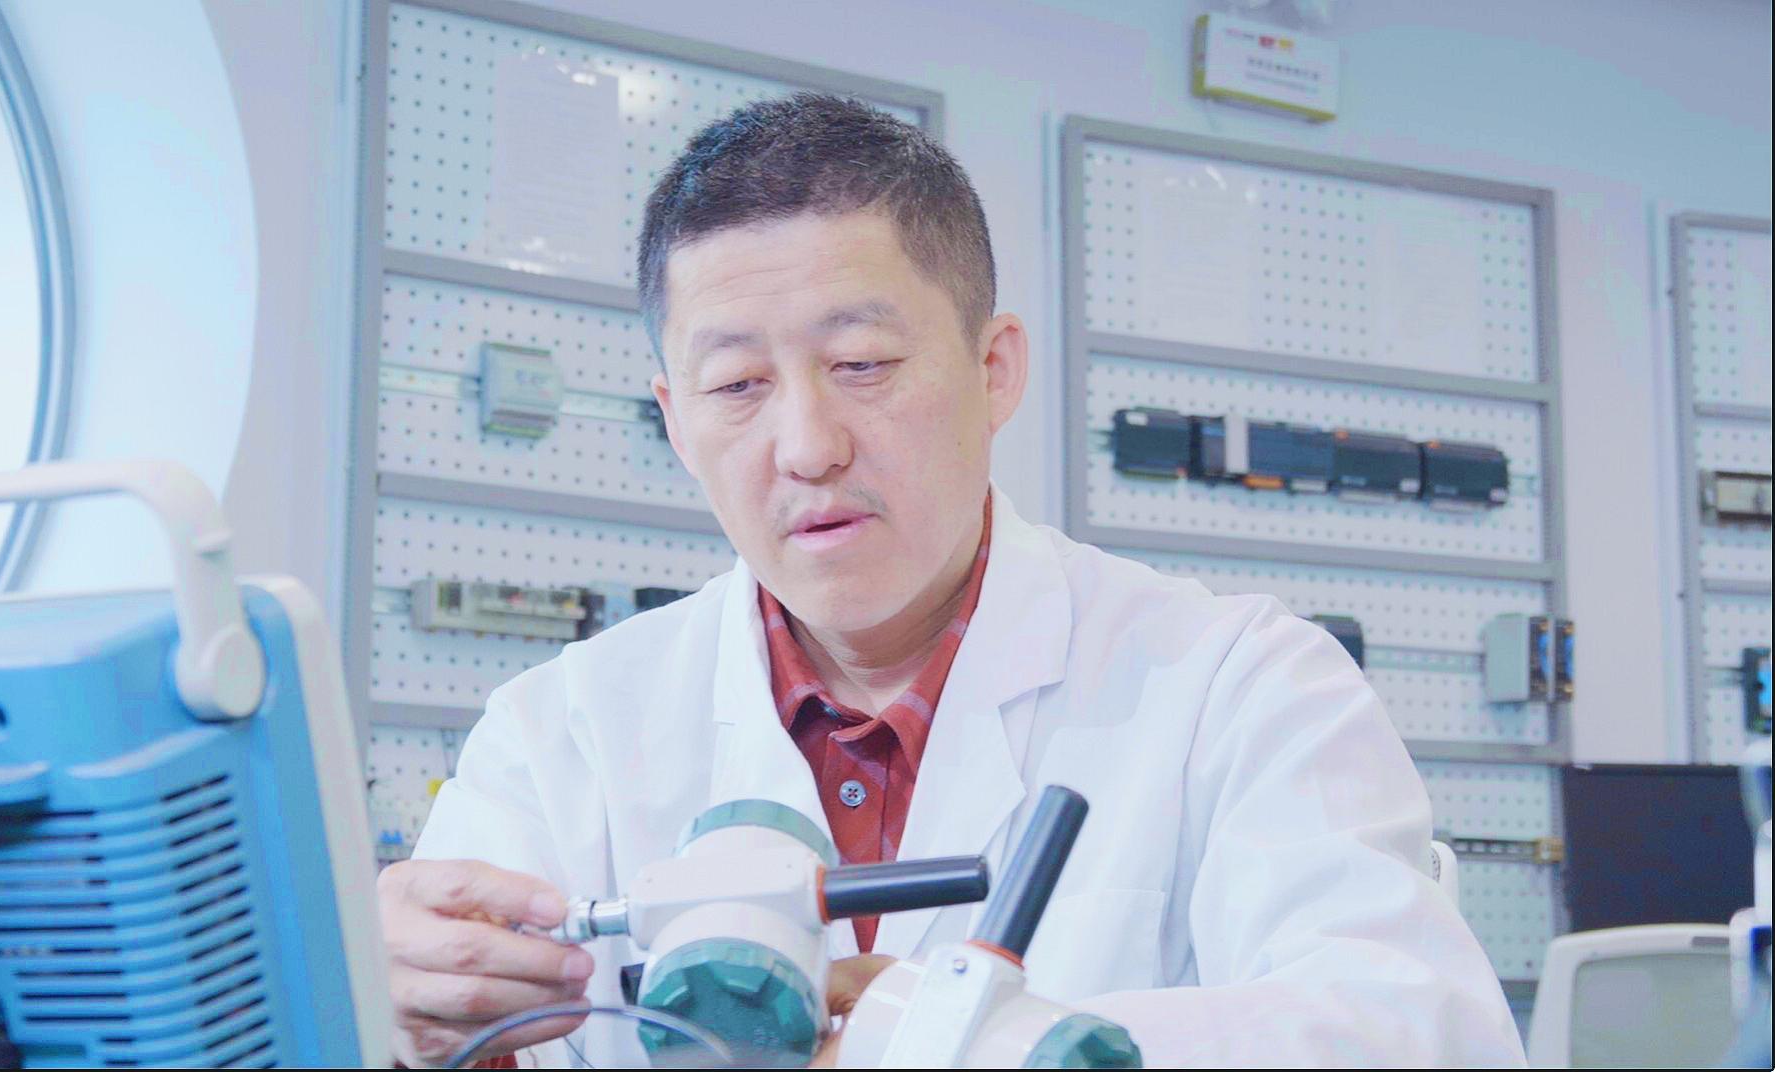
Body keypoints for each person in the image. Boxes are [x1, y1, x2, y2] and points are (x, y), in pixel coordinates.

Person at [379, 93, 1527, 1068]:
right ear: (675, 422)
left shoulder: (1240, 685)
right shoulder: (557, 736)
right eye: (735, 386)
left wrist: (987, 1042)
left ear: (993, 369)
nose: (806, 445)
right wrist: (383, 1010)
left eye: (861, 364)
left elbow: (1418, 1036)